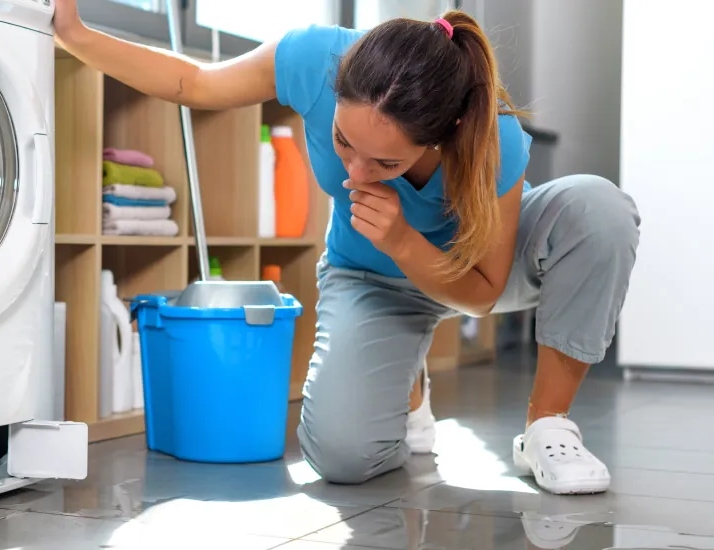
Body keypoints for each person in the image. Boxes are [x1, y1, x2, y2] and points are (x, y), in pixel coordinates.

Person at [54, 2, 640, 495]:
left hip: (480, 267)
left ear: (444, 133)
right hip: (372, 279)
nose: (355, 175)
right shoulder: (315, 58)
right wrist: (77, 35)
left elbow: (483, 298)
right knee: (341, 458)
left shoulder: (491, 136)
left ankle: (546, 429)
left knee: (599, 208)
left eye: (386, 163)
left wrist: (407, 241)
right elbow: (195, 83)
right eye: (342, 142)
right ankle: (405, 381)